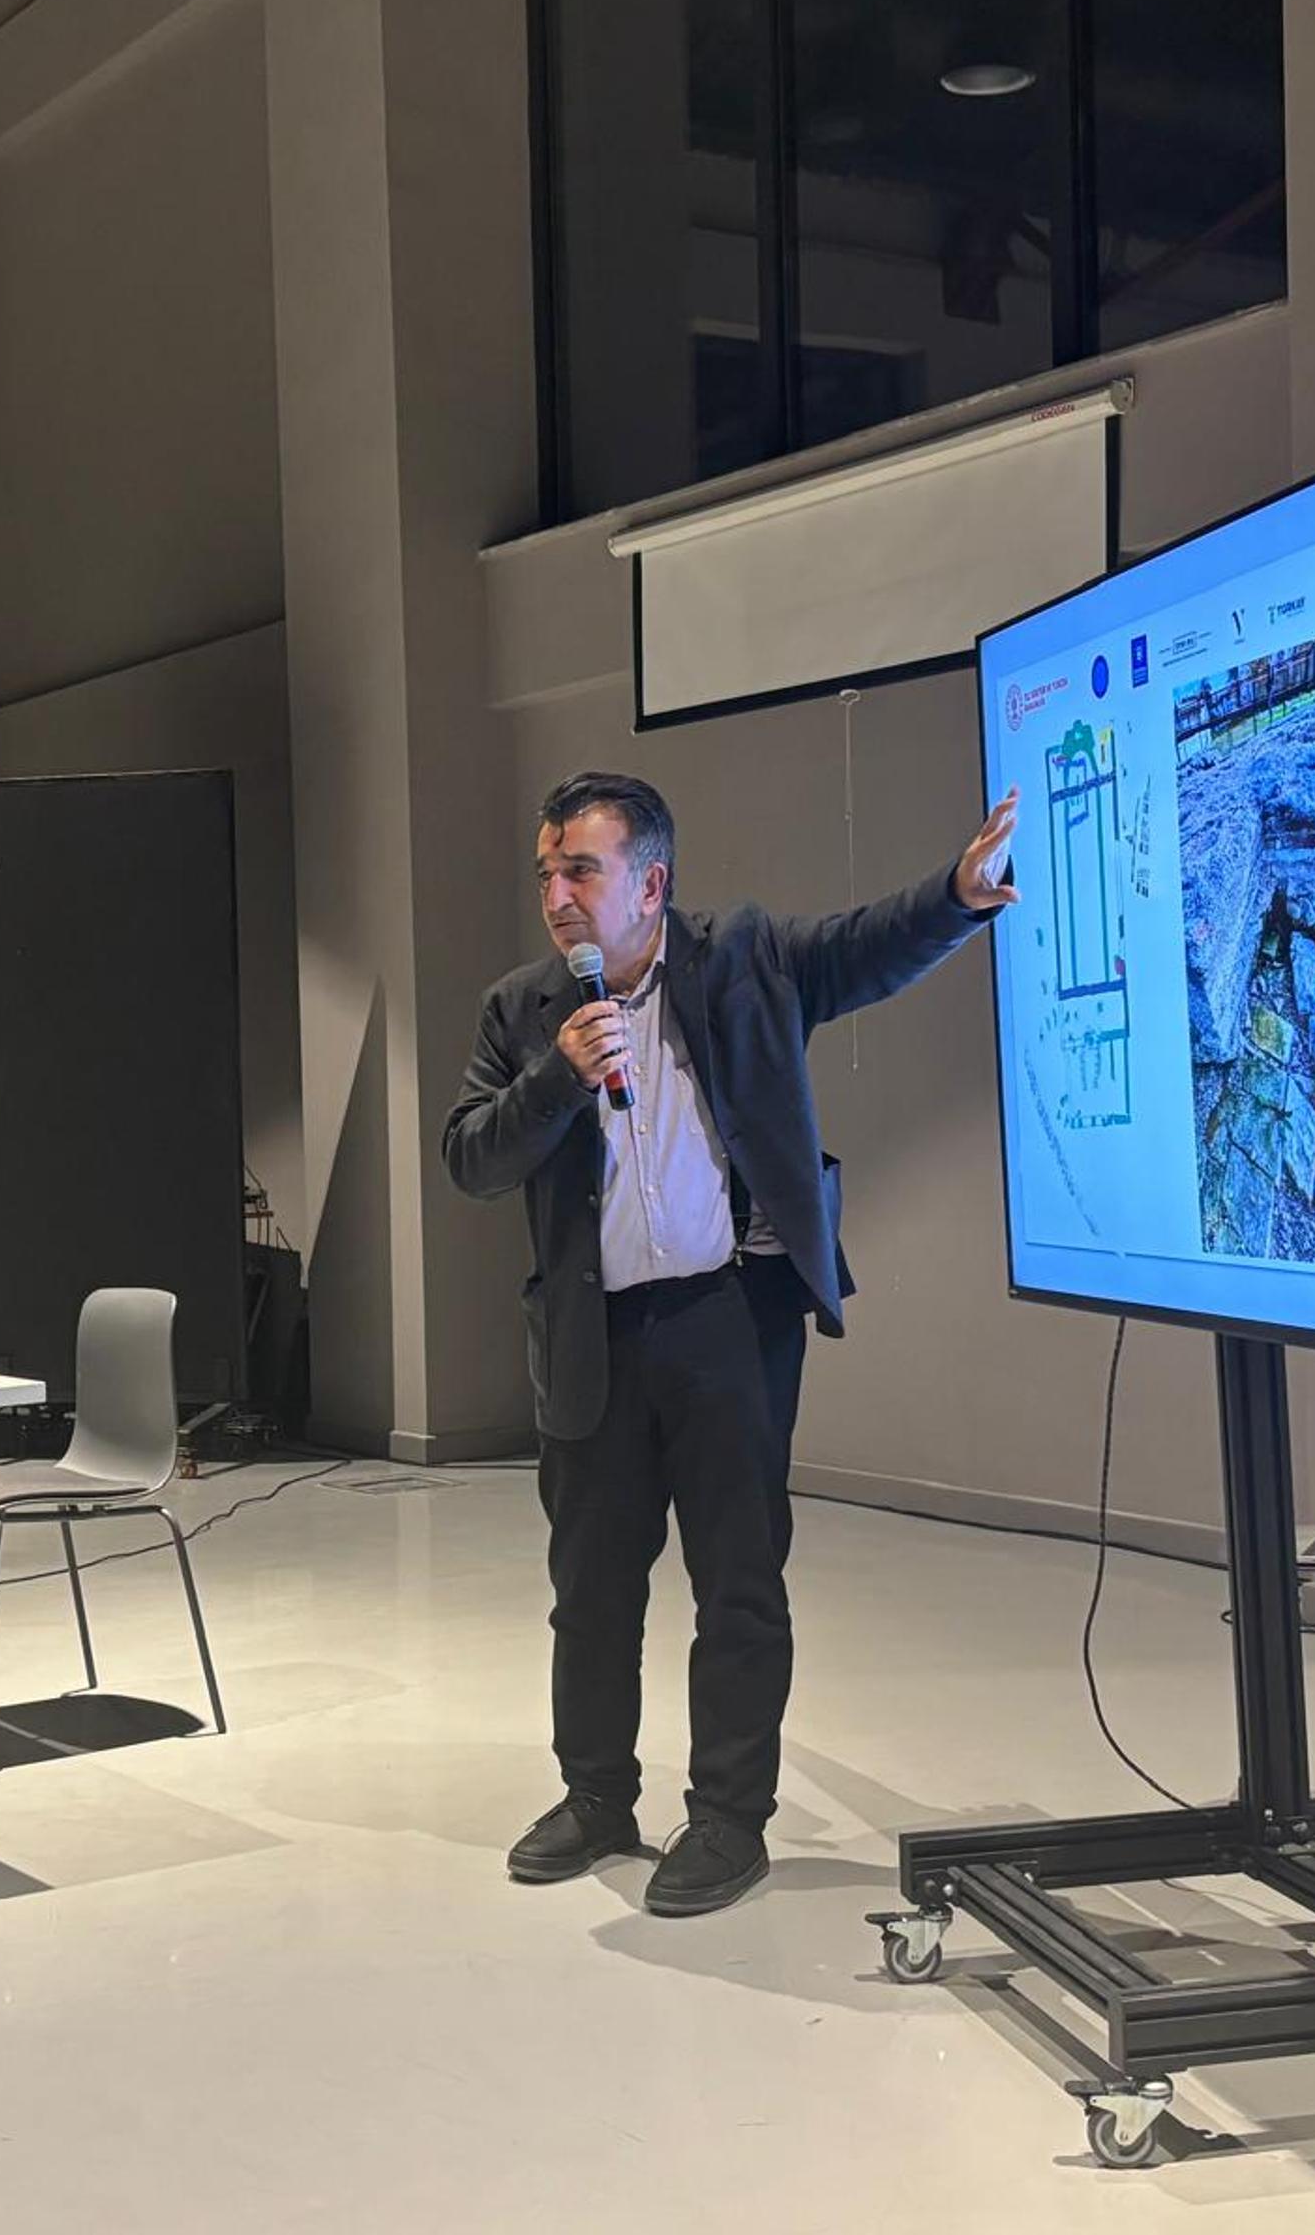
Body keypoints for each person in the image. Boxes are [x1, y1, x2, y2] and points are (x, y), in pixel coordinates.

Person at [442, 770, 1019, 1915]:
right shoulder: (523, 1011)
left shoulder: (745, 959)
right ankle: (596, 1797)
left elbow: (863, 949)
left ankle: (727, 1818)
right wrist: (561, 1075)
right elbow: (471, 1159)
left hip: (728, 1320)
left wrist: (955, 896)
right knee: (591, 1594)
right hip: (592, 1335)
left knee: (739, 1584)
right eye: (547, 873)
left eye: (582, 871)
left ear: (651, 884)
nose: (557, 896)